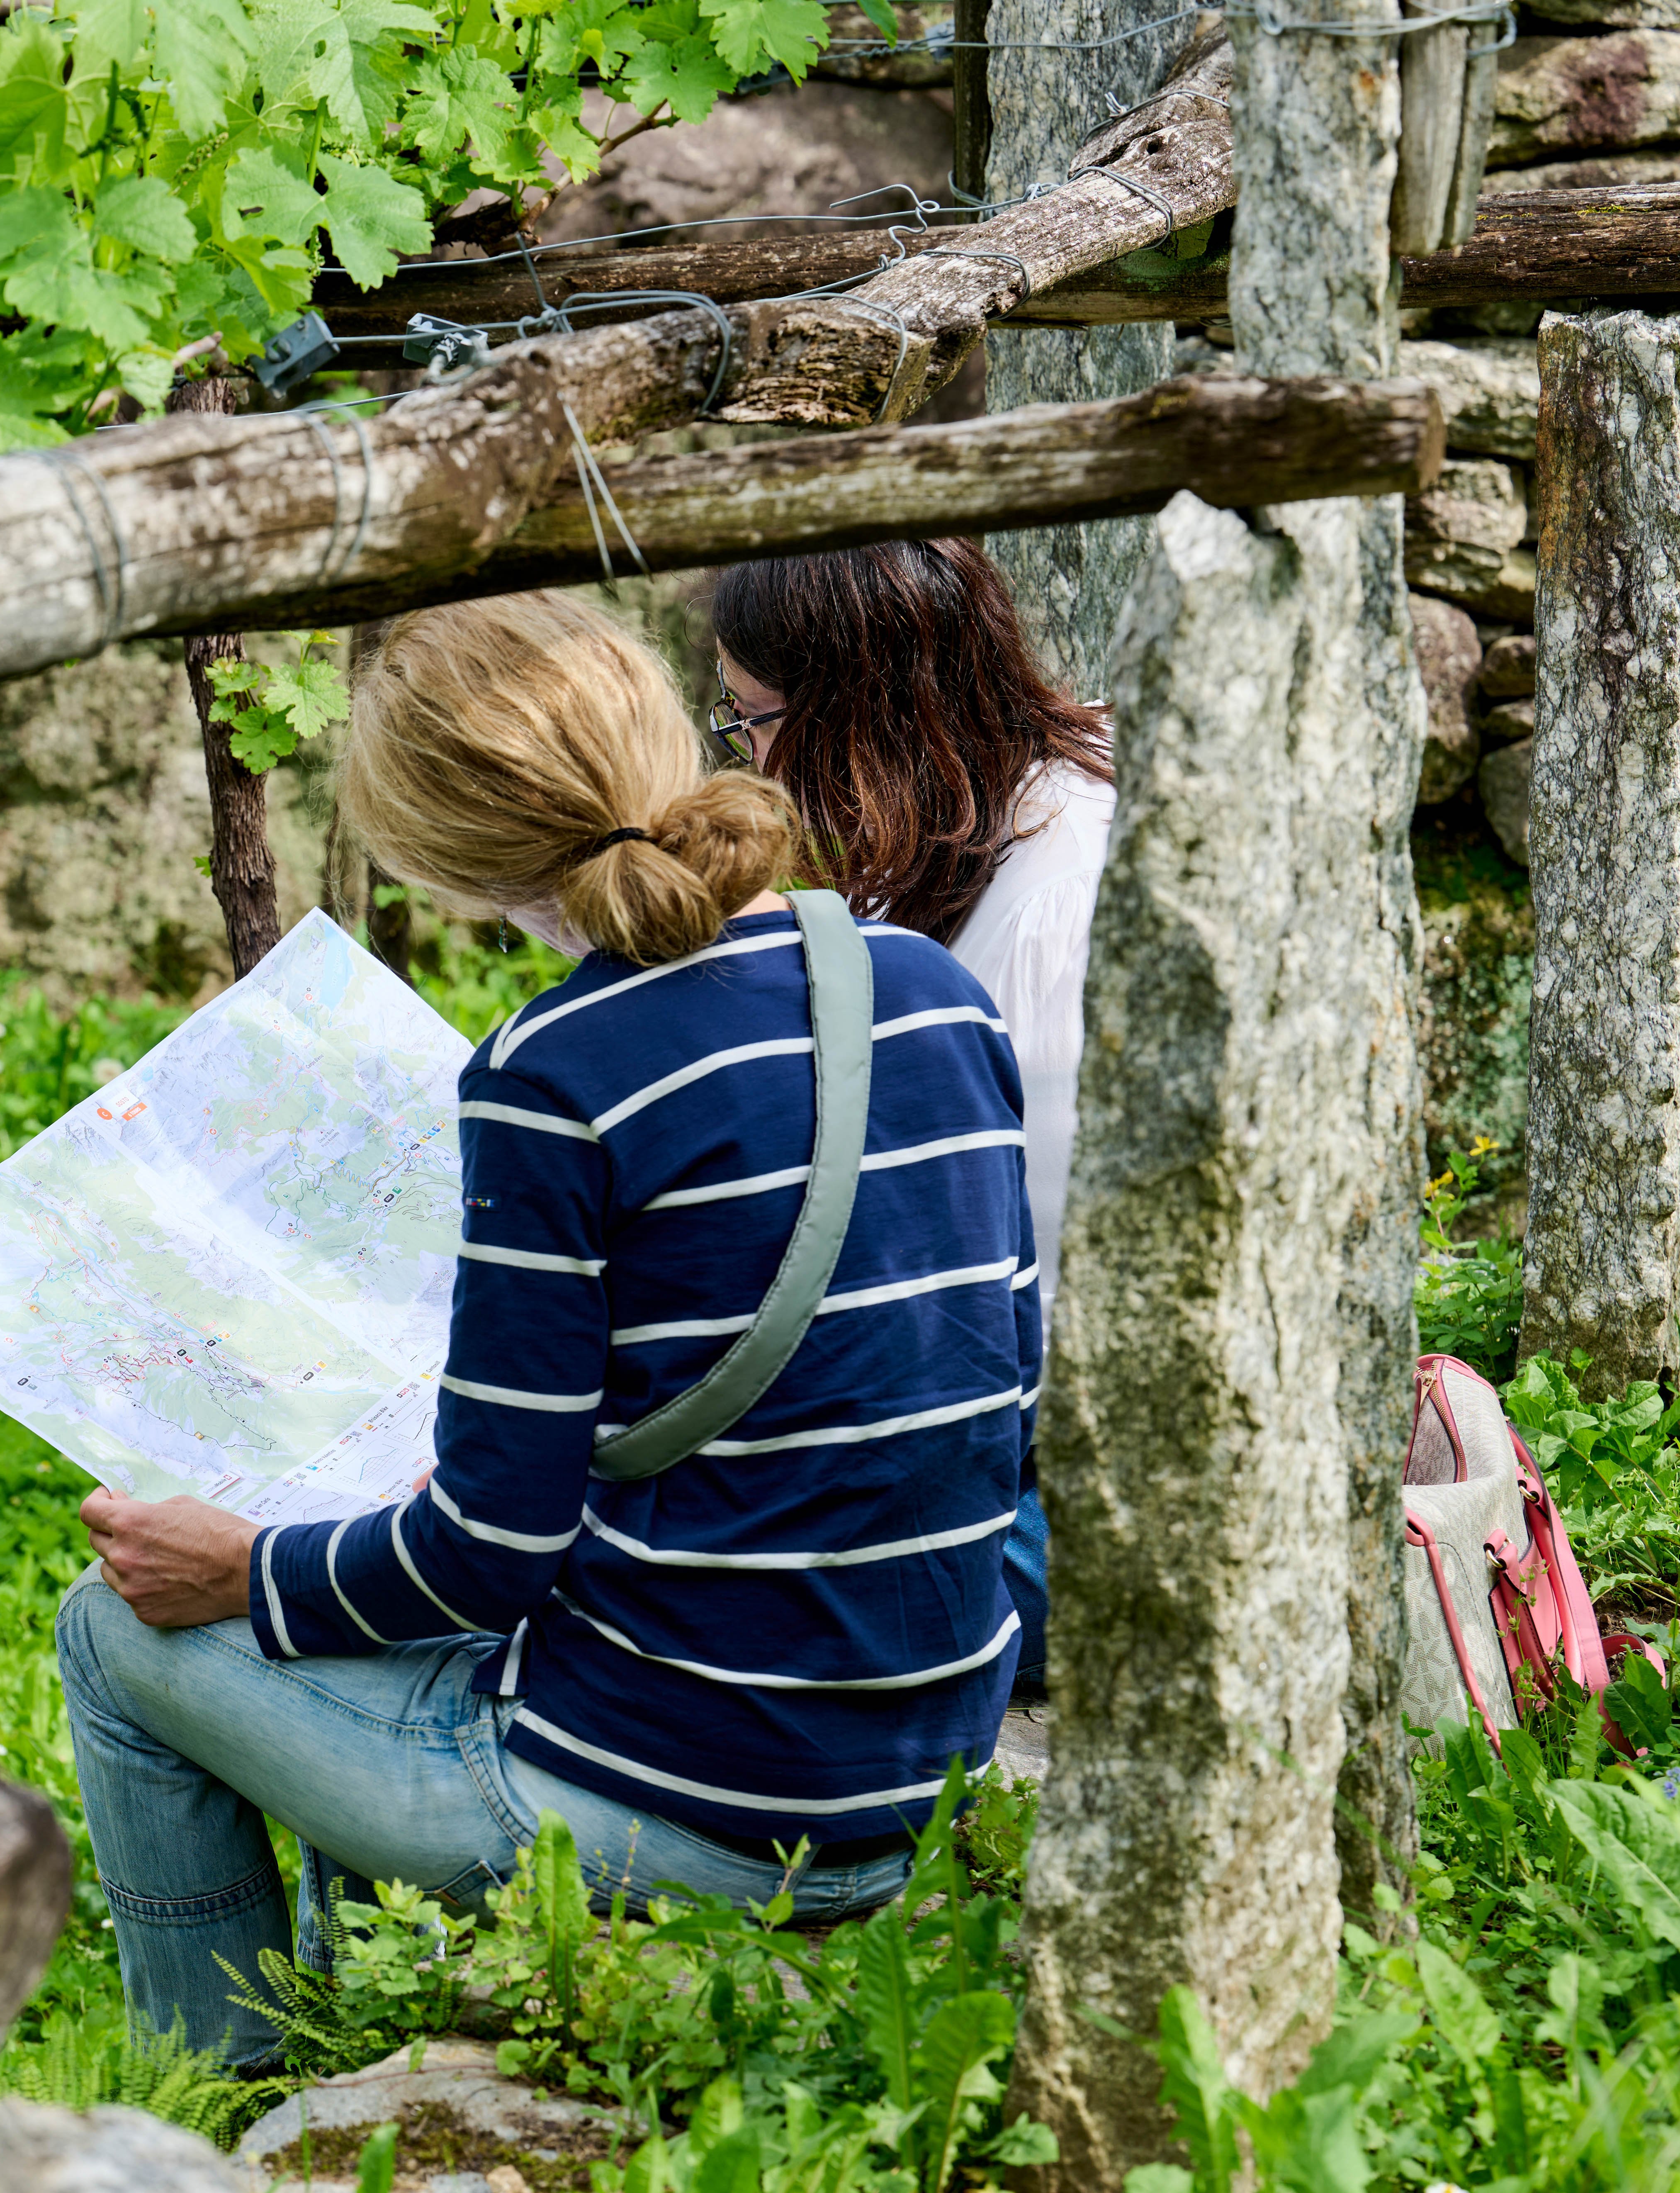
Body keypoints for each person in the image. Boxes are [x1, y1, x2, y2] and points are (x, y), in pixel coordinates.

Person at [53, 591, 1036, 2066]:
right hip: (926, 1755)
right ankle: (341, 2010)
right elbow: (976, 1392)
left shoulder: (552, 1070)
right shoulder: (928, 988)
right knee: (337, 1592)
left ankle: (218, 2087)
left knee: (111, 1636)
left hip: (704, 1811)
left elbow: (490, 1557)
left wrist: (247, 1566)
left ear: (443, 864)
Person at [708, 539, 1113, 1697]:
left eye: (753, 723)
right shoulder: (959, 824)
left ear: (856, 713)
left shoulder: (1049, 915)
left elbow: (1018, 1326)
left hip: (1071, 1493)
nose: (752, 765)